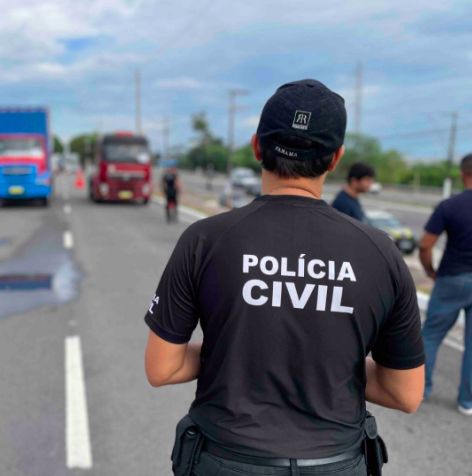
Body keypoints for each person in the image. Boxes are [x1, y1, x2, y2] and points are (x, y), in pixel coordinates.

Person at [144, 79, 424, 476]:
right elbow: (405, 392)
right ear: (335, 159)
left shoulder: (204, 239)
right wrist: (325, 365)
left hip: (226, 460)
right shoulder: (381, 252)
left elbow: (163, 368)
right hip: (335, 463)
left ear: (258, 146)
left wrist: (238, 355)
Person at [419, 153, 472, 416]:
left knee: (430, 335)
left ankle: (420, 390)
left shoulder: (450, 205)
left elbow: (425, 244)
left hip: (452, 278)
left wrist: (429, 269)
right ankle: (467, 401)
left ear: (463, 174)